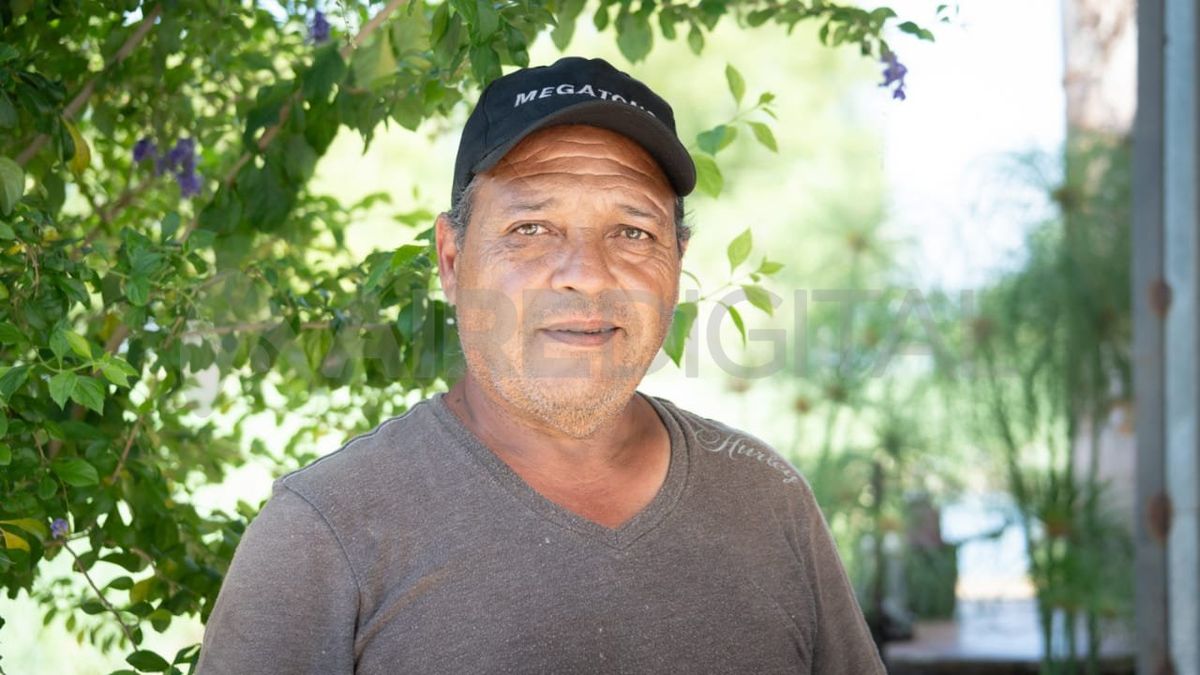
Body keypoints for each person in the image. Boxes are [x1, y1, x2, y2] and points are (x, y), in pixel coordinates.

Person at [197, 56, 884, 674]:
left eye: (633, 231)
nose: (586, 274)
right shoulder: (325, 531)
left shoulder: (767, 500)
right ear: (453, 259)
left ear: (676, 264)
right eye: (530, 229)